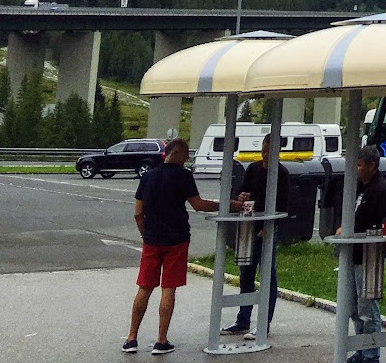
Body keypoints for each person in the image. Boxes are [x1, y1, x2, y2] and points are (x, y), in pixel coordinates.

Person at [124, 138, 241, 355]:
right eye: (186, 154)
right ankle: (161, 340)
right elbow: (198, 205)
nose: (187, 158)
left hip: (152, 240)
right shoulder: (183, 176)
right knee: (168, 288)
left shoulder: (148, 177)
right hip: (176, 240)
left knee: (145, 287)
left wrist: (146, 235)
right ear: (177, 153)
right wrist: (228, 206)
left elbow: (137, 212)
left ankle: (131, 338)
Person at [221, 133, 290, 340]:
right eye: (264, 150)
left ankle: (264, 323)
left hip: (267, 228)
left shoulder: (281, 173)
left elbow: (283, 205)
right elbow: (242, 192)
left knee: (268, 274)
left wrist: (269, 227)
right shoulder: (253, 169)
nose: (266, 155)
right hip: (249, 227)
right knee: (246, 273)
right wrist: (241, 197)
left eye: (270, 151)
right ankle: (243, 319)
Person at [335, 145, 386, 363]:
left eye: (360, 165)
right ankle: (360, 349)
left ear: (372, 165)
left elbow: (385, 224)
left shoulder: (381, 190)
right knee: (353, 307)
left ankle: (372, 353)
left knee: (368, 308)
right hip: (353, 253)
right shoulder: (359, 187)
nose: (357, 170)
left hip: (369, 256)